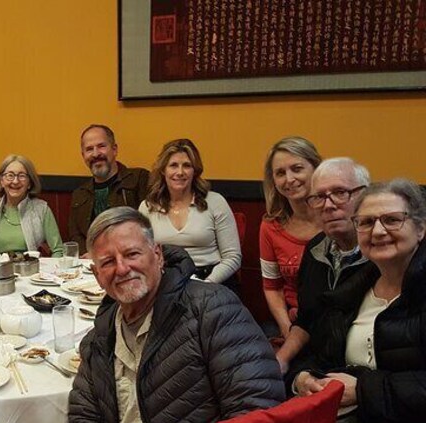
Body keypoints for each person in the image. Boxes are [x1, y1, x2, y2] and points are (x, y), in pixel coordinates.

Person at [6, 207, 284, 423]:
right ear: (95, 273)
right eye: (107, 262)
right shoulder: (100, 339)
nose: (122, 268)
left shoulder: (211, 310)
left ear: (158, 255)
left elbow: (257, 412)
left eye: (132, 254)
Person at [291, 179, 426, 423]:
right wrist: (302, 379)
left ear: (421, 228)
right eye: (365, 222)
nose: (378, 230)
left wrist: (362, 391)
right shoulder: (351, 294)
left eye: (392, 220)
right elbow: (315, 358)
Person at [277, 158, 371, 376]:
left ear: (364, 195)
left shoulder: (384, 255)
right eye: (319, 197)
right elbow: (306, 320)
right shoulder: (315, 249)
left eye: (340, 192)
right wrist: (283, 361)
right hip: (317, 370)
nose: (328, 205)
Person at [139, 139, 242, 287]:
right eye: (173, 165)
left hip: (213, 281)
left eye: (187, 166)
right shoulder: (147, 207)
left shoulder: (215, 202)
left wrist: (206, 284)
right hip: (166, 282)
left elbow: (233, 257)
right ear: (163, 170)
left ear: (195, 171)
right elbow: (142, 255)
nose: (180, 172)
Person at [259, 137, 322, 339]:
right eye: (280, 173)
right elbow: (272, 287)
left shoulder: (336, 217)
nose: (289, 179)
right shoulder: (270, 226)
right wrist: (287, 329)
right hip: (291, 322)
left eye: (297, 169)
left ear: (316, 169)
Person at [69, 124, 149, 255]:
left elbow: (149, 226)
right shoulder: (79, 194)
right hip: (93, 264)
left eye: (101, 146)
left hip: (133, 257)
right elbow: (76, 235)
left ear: (114, 149)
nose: (95, 154)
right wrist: (91, 254)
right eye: (89, 149)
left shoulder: (139, 179)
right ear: (83, 155)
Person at [0, 154, 63, 256]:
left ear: (30, 183)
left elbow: (58, 250)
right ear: (1, 181)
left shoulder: (41, 209)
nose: (15, 181)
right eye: (10, 175)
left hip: (29, 269)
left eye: (22, 176)